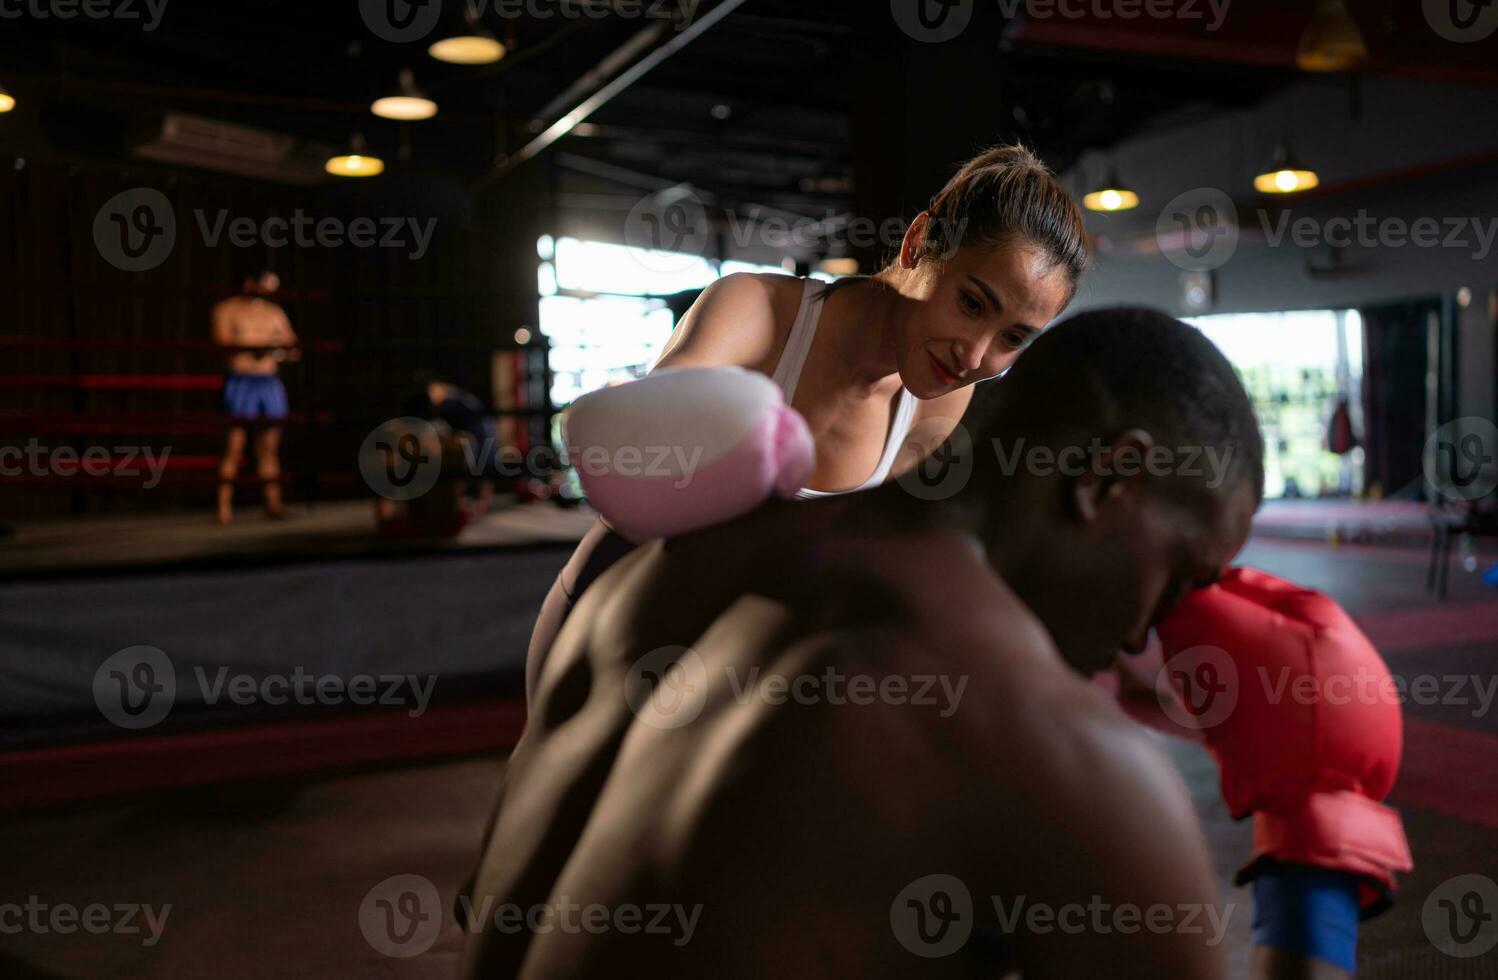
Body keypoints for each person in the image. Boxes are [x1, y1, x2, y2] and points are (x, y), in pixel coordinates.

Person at [464, 308, 1282, 978]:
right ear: (1110, 477)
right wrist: (1316, 891)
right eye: (1175, 576)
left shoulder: (653, 579)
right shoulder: (1046, 738)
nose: (1144, 631)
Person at [527, 144, 1091, 698]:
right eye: (971, 303)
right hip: (617, 608)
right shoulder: (757, 309)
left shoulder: (941, 401)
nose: (974, 355)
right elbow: (627, 452)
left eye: (1012, 338)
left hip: (738, 661)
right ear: (919, 243)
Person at [213, 269, 298, 524]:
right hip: (241, 379)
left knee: (269, 446)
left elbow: (293, 347)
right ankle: (223, 510)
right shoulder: (227, 309)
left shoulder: (274, 313)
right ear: (249, 283)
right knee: (234, 444)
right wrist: (254, 348)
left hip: (268, 380)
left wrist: (279, 351)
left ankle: (273, 504)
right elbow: (222, 341)